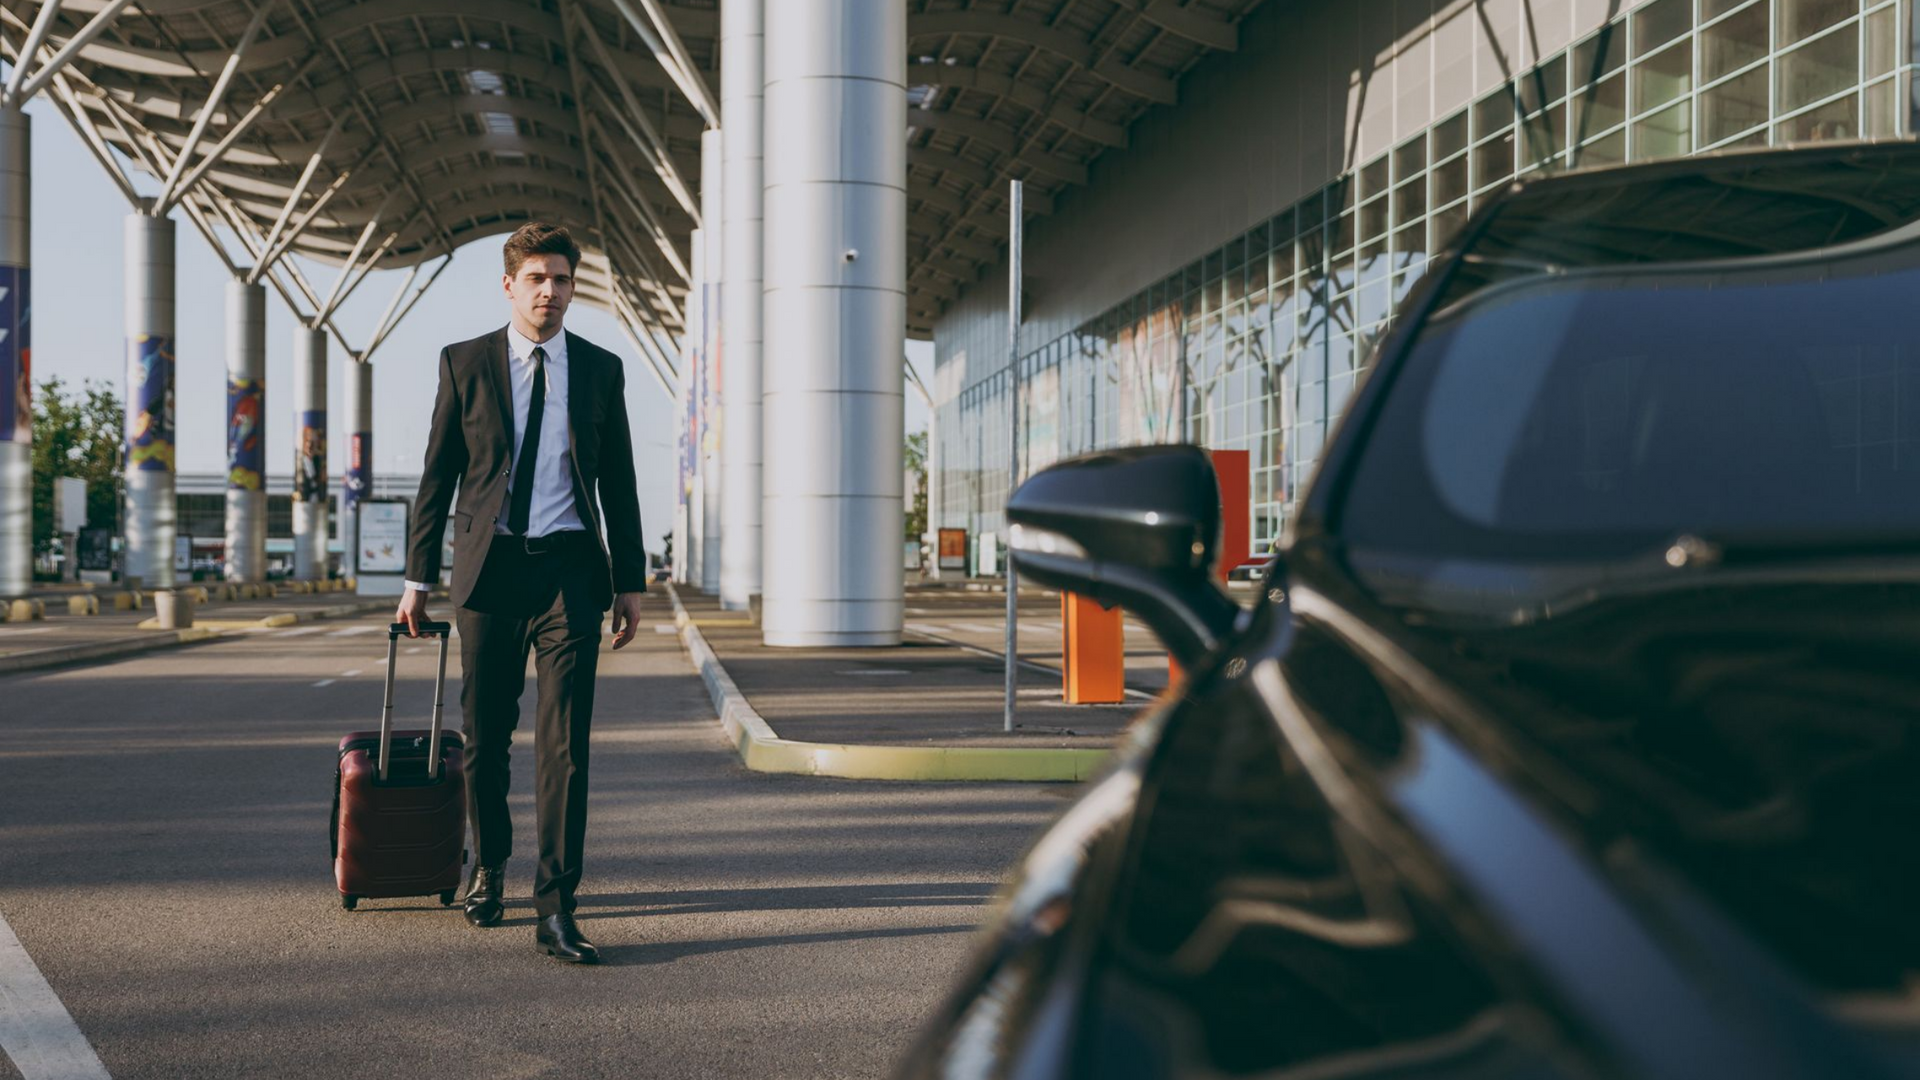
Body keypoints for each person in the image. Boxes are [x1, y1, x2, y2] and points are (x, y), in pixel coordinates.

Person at [397, 222, 647, 964]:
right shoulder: (465, 362)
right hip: (491, 572)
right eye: (537, 279)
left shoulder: (601, 370)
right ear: (509, 285)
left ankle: (557, 906)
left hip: (570, 571)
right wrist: (416, 579)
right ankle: (489, 868)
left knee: (565, 744)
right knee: (486, 738)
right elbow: (437, 478)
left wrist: (629, 582)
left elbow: (621, 485)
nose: (550, 292)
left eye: (562, 280)